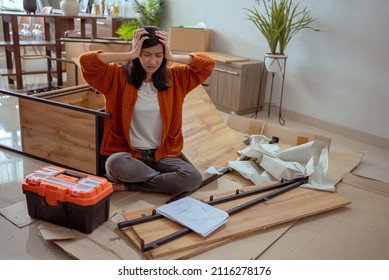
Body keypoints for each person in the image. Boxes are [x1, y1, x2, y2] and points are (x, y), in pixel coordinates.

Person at [79, 26, 215, 195]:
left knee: (193, 178)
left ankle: (129, 185)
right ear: (138, 54)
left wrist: (172, 56)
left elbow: (207, 64)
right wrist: (129, 54)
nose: (153, 61)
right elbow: (87, 62)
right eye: (146, 55)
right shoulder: (117, 76)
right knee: (114, 164)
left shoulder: (176, 77)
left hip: (162, 155)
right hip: (130, 156)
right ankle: (164, 180)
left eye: (159, 55)